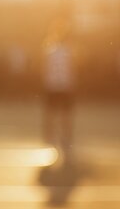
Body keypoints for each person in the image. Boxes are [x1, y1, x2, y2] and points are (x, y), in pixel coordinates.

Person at [42, 20, 75, 159]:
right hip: (65, 85)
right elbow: (72, 69)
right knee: (65, 114)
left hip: (52, 85)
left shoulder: (49, 50)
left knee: (52, 113)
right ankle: (66, 138)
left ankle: (50, 137)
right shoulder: (68, 51)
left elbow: (44, 69)